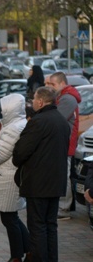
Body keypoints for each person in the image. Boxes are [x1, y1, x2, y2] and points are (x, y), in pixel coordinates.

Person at [12, 86, 70, 262]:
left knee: (37, 227)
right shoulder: (62, 121)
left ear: (41, 101)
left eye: (34, 98)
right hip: (56, 181)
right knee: (50, 226)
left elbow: (20, 152)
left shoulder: (38, 122)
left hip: (38, 183)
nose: (32, 101)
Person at [0, 94, 31, 262]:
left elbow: (1, 153)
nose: (1, 111)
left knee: (9, 218)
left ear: (10, 109)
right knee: (11, 217)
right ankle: (29, 251)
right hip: (8, 176)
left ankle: (17, 256)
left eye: (4, 108)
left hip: (8, 178)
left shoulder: (13, 128)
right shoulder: (16, 124)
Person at [48, 71, 81, 220]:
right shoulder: (63, 97)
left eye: (52, 84)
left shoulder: (67, 99)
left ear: (62, 83)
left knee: (64, 176)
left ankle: (64, 209)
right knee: (61, 175)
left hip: (65, 144)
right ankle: (62, 207)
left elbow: (56, 119)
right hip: (63, 143)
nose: (50, 87)